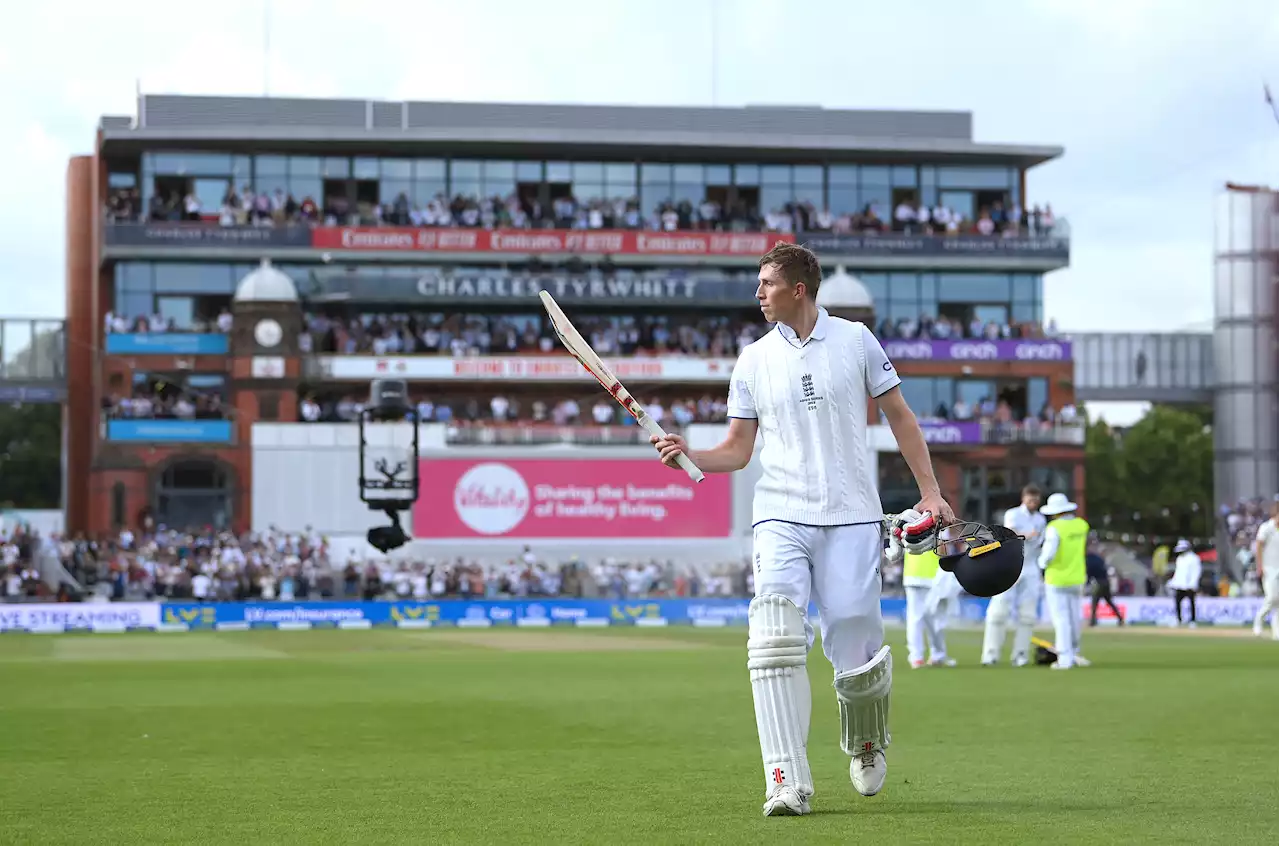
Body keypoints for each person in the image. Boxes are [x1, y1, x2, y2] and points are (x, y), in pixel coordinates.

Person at [651, 241, 956, 818]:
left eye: (765, 283)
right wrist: (689, 453)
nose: (757, 293)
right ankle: (785, 780)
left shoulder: (856, 341)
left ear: (798, 289)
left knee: (855, 638)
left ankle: (866, 742)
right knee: (772, 636)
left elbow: (900, 417)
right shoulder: (752, 359)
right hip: (780, 513)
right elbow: (738, 451)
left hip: (851, 514)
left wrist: (931, 491)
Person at [981, 484, 1046, 666]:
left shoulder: (1041, 518)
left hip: (1031, 566)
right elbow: (1009, 534)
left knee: (1028, 614)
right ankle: (990, 654)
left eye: (1036, 500)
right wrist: (1028, 534)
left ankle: (1020, 655)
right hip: (1010, 564)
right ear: (1023, 498)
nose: (1033, 503)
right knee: (998, 611)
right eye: (1030, 499)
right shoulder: (1013, 514)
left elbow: (1040, 541)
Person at [1037, 493, 1090, 669]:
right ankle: (1074, 652)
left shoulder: (1054, 528)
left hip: (1056, 578)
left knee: (1061, 620)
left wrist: (1041, 563)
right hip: (1077, 577)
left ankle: (1065, 659)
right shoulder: (1081, 525)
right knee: (1075, 618)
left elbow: (1048, 554)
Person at [902, 547, 954, 668]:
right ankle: (937, 655)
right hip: (933, 576)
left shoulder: (906, 527)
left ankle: (916, 658)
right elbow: (943, 550)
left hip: (912, 574)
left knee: (914, 619)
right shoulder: (938, 528)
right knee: (935, 619)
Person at [1251, 501, 1280, 639]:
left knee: (1279, 601)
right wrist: (1260, 566)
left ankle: (1277, 632)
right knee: (1272, 597)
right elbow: (1259, 546)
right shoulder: (1266, 527)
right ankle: (1258, 621)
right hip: (1269, 568)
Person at [1086, 538, 1124, 626]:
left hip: (1098, 583)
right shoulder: (1098, 559)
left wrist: (1088, 583)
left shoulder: (1089, 560)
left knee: (1094, 602)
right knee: (1109, 602)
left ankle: (1093, 621)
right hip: (1106, 582)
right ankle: (1120, 618)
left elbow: (1089, 572)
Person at [1168, 539, 1201, 627]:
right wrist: (1173, 582)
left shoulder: (1194, 558)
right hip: (1179, 584)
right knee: (1177, 602)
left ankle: (1192, 621)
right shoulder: (1180, 559)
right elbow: (1178, 572)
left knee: (1191, 603)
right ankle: (1179, 619)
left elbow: (1196, 572)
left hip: (1190, 585)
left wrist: (1193, 583)